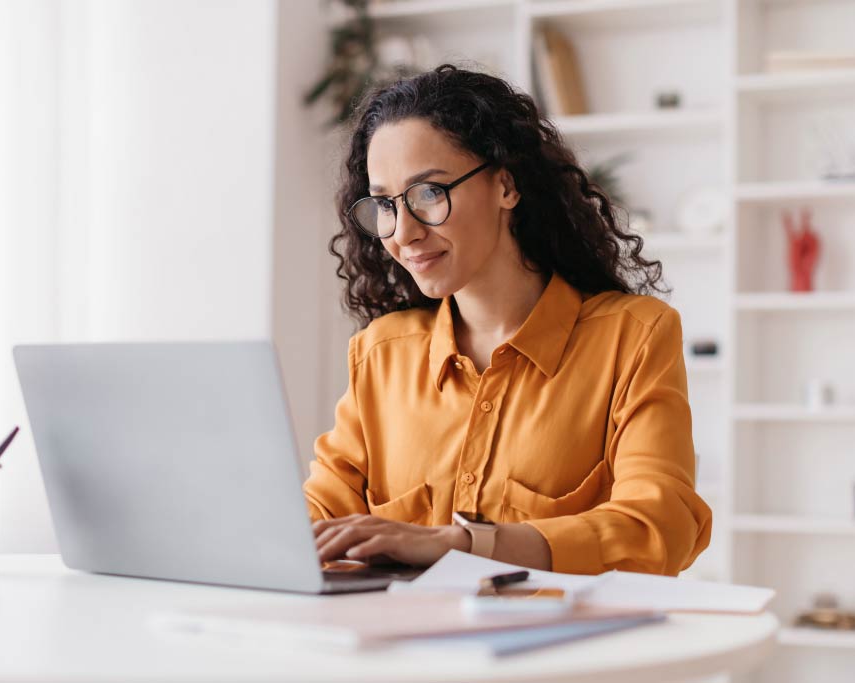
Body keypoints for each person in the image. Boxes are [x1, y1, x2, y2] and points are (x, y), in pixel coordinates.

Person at [304, 64, 712, 577]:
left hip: (557, 651)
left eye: (429, 192)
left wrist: (462, 544)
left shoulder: (632, 336)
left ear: (506, 186)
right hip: (401, 648)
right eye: (385, 203)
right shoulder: (381, 352)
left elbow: (659, 526)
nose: (402, 232)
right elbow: (318, 520)